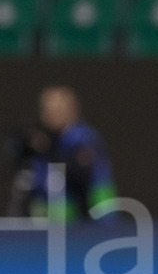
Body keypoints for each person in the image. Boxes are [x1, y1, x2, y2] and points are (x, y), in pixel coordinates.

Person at [27, 86, 117, 221]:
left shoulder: (84, 138)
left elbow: (80, 173)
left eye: (59, 109)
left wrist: (49, 150)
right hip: (50, 226)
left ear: (73, 110)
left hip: (91, 225)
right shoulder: (40, 141)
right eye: (48, 109)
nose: (52, 114)